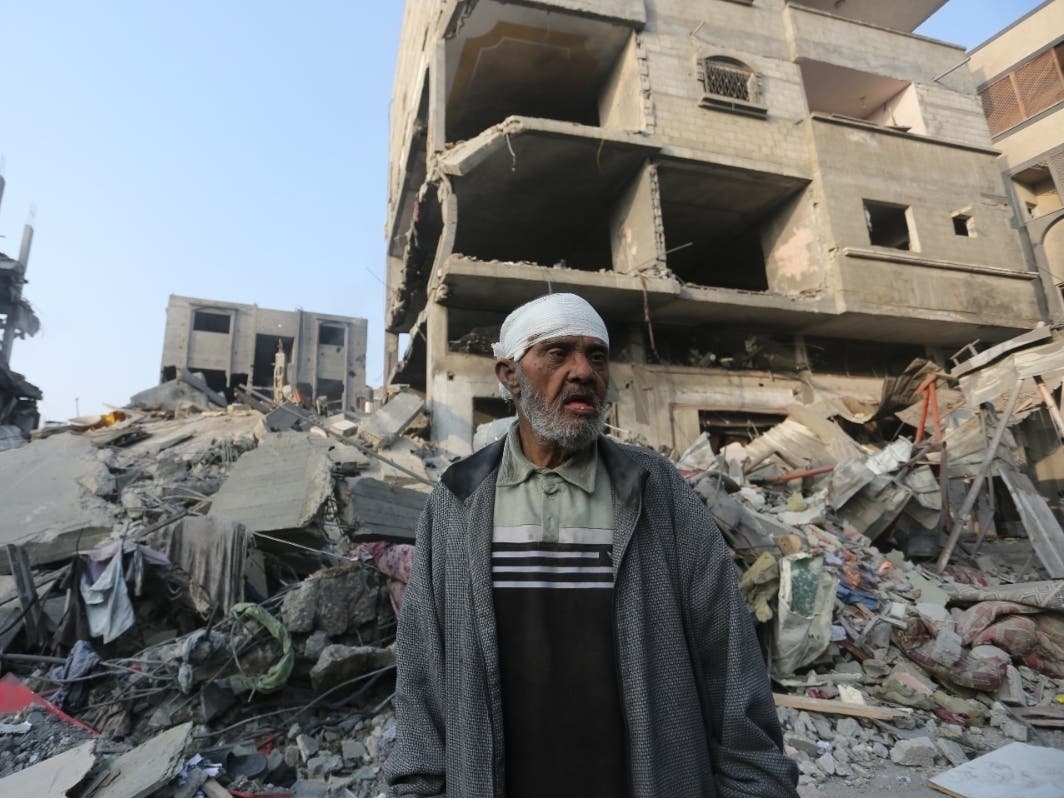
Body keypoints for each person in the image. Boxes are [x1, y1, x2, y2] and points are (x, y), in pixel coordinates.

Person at [386, 293, 798, 797]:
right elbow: (422, 669)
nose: (583, 372)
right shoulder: (458, 499)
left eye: (596, 356)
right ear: (509, 375)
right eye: (558, 354)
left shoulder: (654, 490)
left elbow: (729, 654)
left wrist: (756, 783)